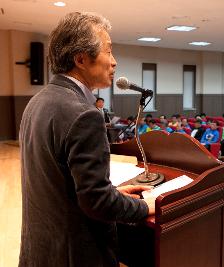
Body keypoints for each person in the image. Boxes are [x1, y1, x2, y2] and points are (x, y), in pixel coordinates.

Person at [19, 12, 155, 267]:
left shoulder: (37, 101)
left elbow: (61, 184)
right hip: (75, 255)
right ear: (81, 59)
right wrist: (145, 206)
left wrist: (112, 193)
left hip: (41, 250)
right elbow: (98, 204)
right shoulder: (85, 115)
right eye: (108, 51)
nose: (114, 62)